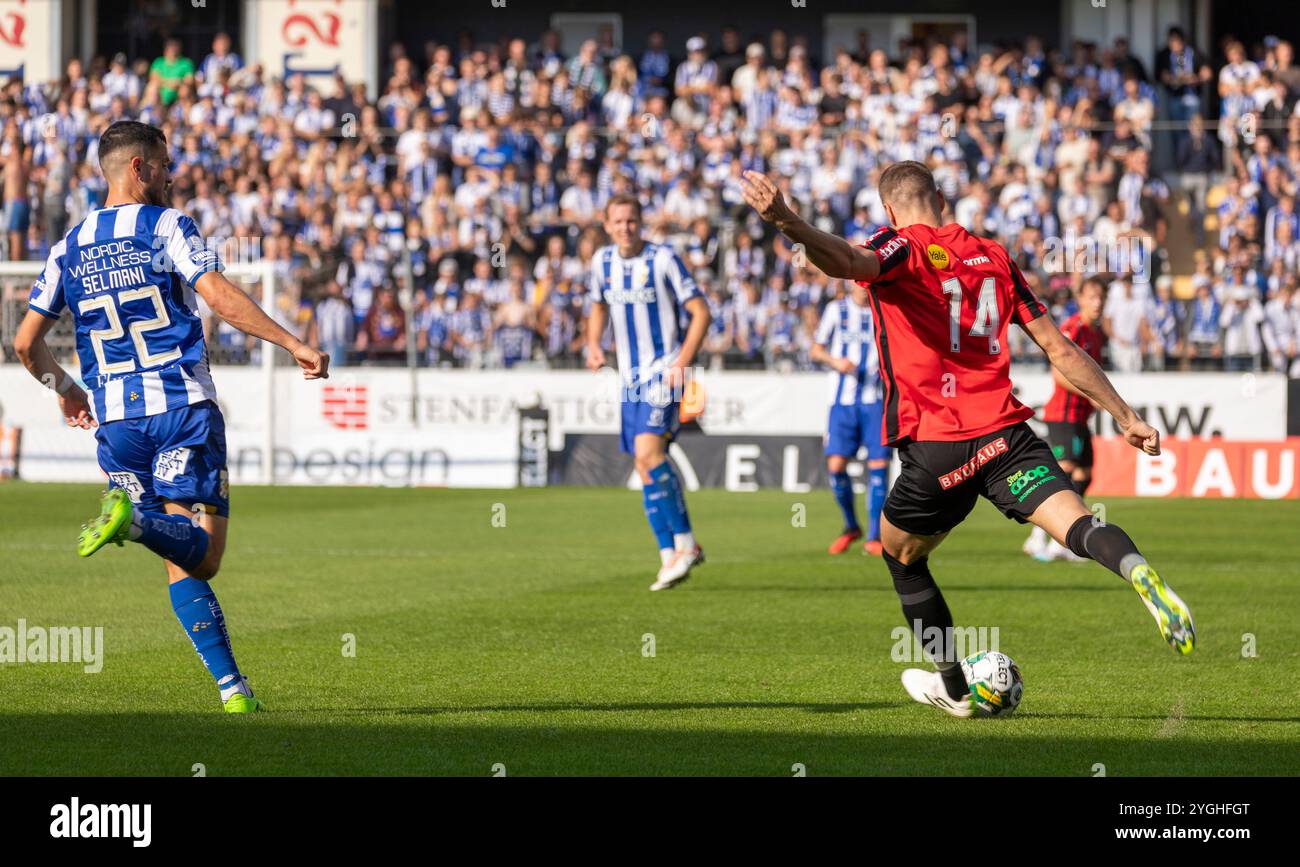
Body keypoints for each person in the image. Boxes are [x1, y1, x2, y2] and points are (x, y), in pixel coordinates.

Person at [741, 161, 1195, 719]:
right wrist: (1125, 416)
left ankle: (955, 688)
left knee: (902, 557)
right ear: (940, 198)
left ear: (889, 209)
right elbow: (1060, 350)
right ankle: (1137, 570)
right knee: (1079, 524)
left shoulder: (898, 247)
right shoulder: (995, 257)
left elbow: (848, 261)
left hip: (941, 445)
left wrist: (788, 221)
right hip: (1007, 436)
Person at [11, 121, 329, 714]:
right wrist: (292, 343)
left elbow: (26, 344)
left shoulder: (68, 246)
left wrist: (67, 390)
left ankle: (233, 691)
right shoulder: (167, 226)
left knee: (179, 553)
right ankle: (129, 525)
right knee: (203, 554)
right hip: (181, 407)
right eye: (163, 165)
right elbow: (217, 294)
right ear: (139, 169)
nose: (171, 176)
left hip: (116, 426)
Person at [586, 194, 712, 591]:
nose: (626, 227)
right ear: (607, 225)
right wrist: (593, 344)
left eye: (632, 221)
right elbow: (597, 306)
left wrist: (682, 362)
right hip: (630, 380)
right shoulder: (601, 262)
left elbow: (701, 311)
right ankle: (668, 554)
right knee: (644, 467)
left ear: (642, 223)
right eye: (618, 221)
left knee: (648, 454)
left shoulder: (663, 259)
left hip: (665, 373)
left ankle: (687, 544)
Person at [1024, 277, 1107, 562]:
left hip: (1080, 418)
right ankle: (1041, 538)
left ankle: (1059, 542)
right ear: (1081, 299)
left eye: (1101, 297)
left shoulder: (1096, 333)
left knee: (1085, 473)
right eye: (1092, 297)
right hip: (1063, 414)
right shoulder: (1074, 327)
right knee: (1065, 470)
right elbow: (1060, 373)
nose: (1098, 303)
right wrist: (1092, 394)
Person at [811, 282, 890, 556]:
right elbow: (816, 349)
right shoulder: (836, 310)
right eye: (858, 282)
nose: (863, 287)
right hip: (842, 403)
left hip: (876, 403)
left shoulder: (886, 310)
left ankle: (874, 536)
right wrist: (836, 362)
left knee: (878, 466)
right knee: (836, 466)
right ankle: (850, 525)